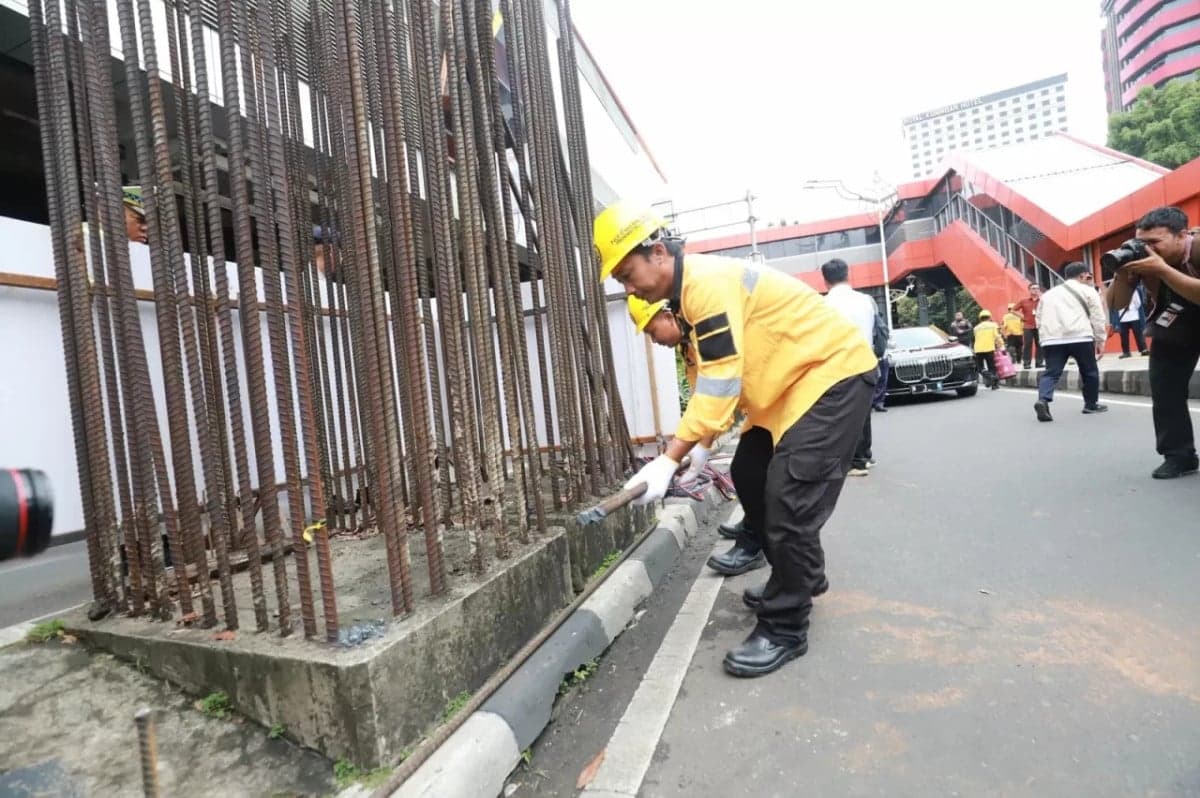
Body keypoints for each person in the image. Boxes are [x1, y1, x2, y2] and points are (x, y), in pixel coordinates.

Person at [596, 200, 877, 678]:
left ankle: (786, 626)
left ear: (658, 252)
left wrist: (670, 458)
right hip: (788, 392)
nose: (630, 288)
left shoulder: (704, 285)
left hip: (831, 376)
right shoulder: (689, 297)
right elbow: (721, 382)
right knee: (749, 474)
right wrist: (701, 445)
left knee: (788, 497)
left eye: (628, 274)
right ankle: (802, 575)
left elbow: (721, 380)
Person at [1106, 206, 1200, 479]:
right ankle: (1179, 456)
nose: (1147, 249)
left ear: (1181, 236)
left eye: (1154, 242)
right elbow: (1116, 304)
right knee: (1164, 387)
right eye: (1141, 242)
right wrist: (1123, 273)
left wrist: (1161, 270)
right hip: (1176, 321)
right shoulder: (1143, 257)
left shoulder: (1196, 250)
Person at [820, 258, 880, 477]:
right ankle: (865, 455)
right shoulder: (866, 300)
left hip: (841, 365)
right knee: (863, 412)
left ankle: (856, 462)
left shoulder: (824, 304)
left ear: (825, 280)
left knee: (843, 414)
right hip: (867, 361)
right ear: (848, 274)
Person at [1032, 262, 1108, 422]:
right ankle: (1090, 404)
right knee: (1089, 371)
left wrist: (1044, 338)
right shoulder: (1088, 291)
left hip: (1051, 339)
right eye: (1088, 276)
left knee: (1051, 372)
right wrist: (1101, 340)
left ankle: (1043, 400)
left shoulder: (1047, 295)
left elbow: (1038, 318)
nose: (1088, 280)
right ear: (1082, 275)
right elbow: (1098, 316)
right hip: (1080, 336)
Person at [1013, 283, 1044, 369]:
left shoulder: (1042, 301)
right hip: (1027, 326)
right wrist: (1022, 316)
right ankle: (1026, 363)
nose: (1036, 290)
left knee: (1040, 344)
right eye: (1033, 288)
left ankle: (1039, 362)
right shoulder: (1024, 301)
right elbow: (1013, 310)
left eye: (1037, 288)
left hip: (1039, 325)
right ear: (1029, 290)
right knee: (1027, 345)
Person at [1114, 282, 1149, 358]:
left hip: (1132, 315)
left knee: (1133, 334)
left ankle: (1127, 352)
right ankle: (1142, 350)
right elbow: (1138, 303)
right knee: (1135, 334)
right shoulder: (1134, 290)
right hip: (1126, 316)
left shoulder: (1117, 291)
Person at [972, 309, 1005, 390]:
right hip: (989, 348)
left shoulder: (976, 328)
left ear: (980, 318)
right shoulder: (993, 325)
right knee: (992, 367)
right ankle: (994, 384)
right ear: (989, 317)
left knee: (980, 368)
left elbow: (975, 337)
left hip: (978, 350)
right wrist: (1002, 346)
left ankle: (989, 376)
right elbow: (997, 337)